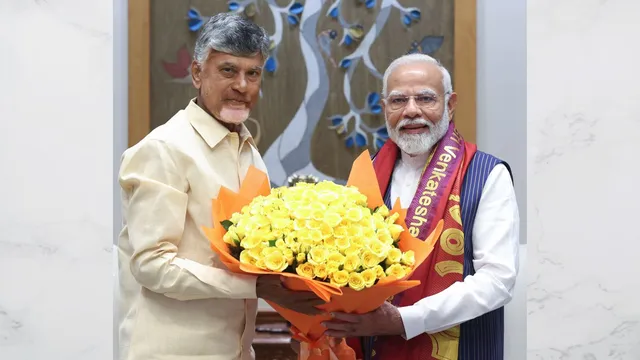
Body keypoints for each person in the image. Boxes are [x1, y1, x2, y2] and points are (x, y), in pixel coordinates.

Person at [116, 13, 323, 360]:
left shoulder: (248, 153)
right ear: (198, 73)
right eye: (228, 70)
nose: (242, 85)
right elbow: (151, 264)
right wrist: (255, 286)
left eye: (252, 73)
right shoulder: (165, 149)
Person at [321, 54, 520, 359]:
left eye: (426, 98)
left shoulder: (486, 173)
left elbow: (498, 279)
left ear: (450, 105)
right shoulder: (368, 173)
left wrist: (404, 320)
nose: (411, 111)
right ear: (385, 107)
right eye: (399, 100)